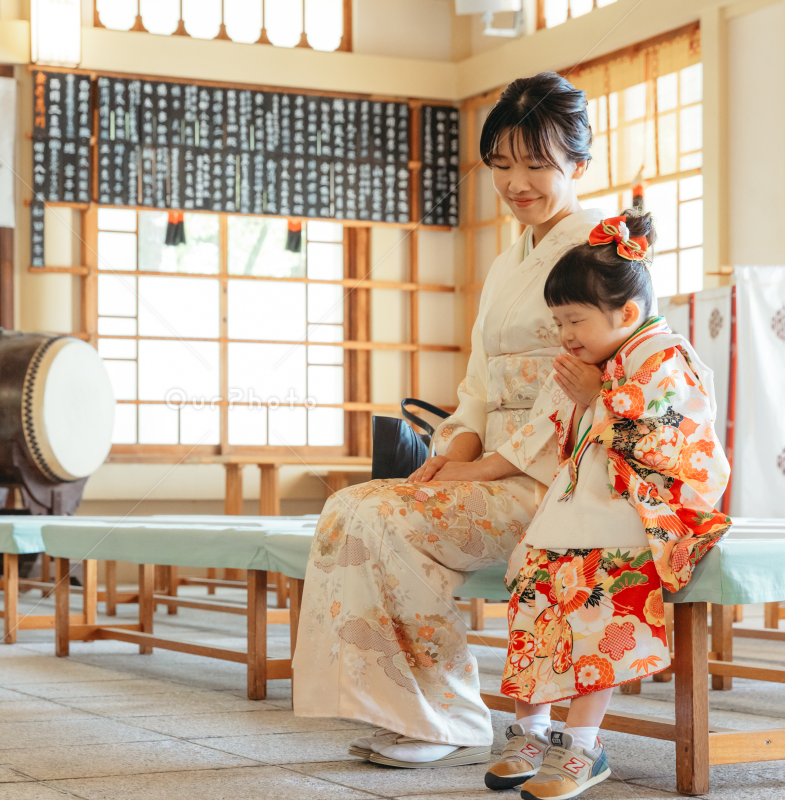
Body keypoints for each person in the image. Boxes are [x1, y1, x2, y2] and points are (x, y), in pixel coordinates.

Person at [292, 72, 608, 768]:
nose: (516, 182)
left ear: (580, 165)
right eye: (502, 165)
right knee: (350, 508)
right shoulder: (506, 263)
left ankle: (447, 718)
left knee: (382, 517)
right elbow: (475, 386)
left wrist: (482, 466)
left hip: (562, 477)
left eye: (535, 164)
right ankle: (417, 711)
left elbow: (587, 384)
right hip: (491, 466)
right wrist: (453, 451)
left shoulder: (602, 253)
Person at [482, 211, 732, 799]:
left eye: (573, 320)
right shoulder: (596, 359)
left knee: (594, 600)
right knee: (534, 589)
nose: (563, 334)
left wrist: (605, 398)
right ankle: (532, 729)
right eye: (558, 321)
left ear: (625, 314)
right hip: (584, 500)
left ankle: (584, 745)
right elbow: (551, 434)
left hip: (641, 507)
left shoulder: (668, 356)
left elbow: (680, 440)